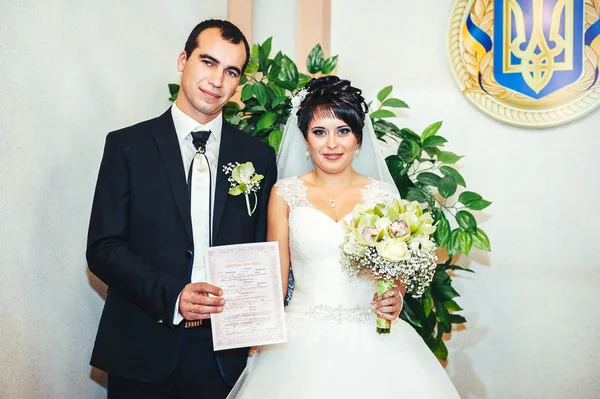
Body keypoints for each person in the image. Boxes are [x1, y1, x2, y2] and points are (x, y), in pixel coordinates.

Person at [227, 76, 461, 398]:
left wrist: (396, 296)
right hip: (297, 342)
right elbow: (275, 279)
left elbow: (394, 269)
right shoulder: (285, 193)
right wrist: (257, 332)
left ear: (358, 139)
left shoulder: (382, 197)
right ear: (306, 140)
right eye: (320, 132)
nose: (332, 144)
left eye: (343, 131)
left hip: (373, 339)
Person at [86, 19, 277, 399]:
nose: (217, 80)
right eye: (208, 62)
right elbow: (103, 248)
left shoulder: (258, 157)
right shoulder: (127, 147)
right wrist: (174, 295)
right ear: (183, 59)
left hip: (226, 358)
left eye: (231, 71)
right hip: (142, 346)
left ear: (238, 82)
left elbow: (264, 250)